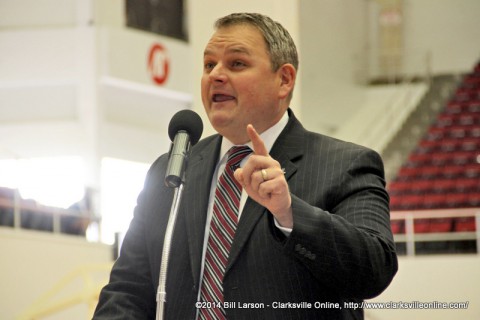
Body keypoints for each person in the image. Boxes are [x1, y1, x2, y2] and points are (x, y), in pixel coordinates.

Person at [93, 12, 398, 320]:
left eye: (236, 64)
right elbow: (127, 290)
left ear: (284, 79)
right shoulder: (171, 169)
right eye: (209, 65)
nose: (216, 75)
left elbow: (374, 270)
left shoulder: (346, 164)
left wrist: (289, 213)